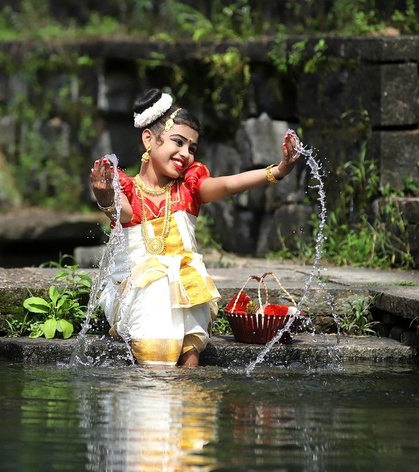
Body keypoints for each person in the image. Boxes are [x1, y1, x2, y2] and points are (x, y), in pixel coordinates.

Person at [90, 88, 300, 368]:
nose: (185, 153)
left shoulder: (189, 188)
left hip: (188, 295)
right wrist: (105, 196)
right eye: (178, 142)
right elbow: (121, 211)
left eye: (192, 148)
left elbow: (226, 184)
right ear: (149, 139)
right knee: (159, 294)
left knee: (190, 351)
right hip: (140, 297)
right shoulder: (128, 190)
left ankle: (190, 399)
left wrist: (277, 171)